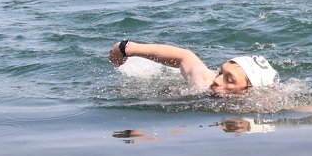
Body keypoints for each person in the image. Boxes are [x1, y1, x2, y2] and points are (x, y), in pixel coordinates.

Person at [108, 40, 278, 94]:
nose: (217, 81)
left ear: (248, 91)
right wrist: (126, 48)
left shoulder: (262, 104)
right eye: (221, 72)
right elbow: (185, 56)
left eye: (230, 80)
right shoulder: (204, 83)